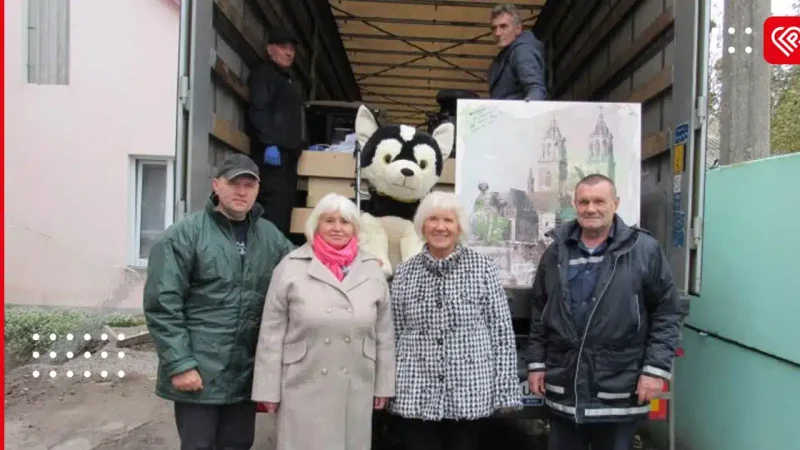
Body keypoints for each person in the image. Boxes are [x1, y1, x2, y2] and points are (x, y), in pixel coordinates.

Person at [143, 153, 295, 450]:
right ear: (216, 185)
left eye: (249, 185)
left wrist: (351, 264)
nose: (241, 192)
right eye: (233, 183)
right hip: (199, 370)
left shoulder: (269, 236)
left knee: (238, 443)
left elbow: (303, 271)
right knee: (199, 445)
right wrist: (180, 364)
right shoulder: (184, 236)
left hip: (244, 372)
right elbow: (163, 306)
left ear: (257, 190)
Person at [525, 174, 682, 450]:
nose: (591, 208)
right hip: (566, 386)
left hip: (619, 387)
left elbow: (666, 313)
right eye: (584, 201)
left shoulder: (643, 250)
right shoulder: (556, 253)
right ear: (575, 204)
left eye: (599, 201)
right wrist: (537, 363)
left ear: (615, 203)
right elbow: (540, 310)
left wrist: (656, 370)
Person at [251, 193, 396, 450]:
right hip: (302, 384)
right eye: (329, 220)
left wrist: (383, 386)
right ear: (316, 224)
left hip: (355, 384)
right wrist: (267, 392)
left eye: (345, 221)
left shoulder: (372, 269)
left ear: (355, 228)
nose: (337, 228)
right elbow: (271, 335)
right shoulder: (291, 266)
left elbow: (384, 334)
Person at [388, 191, 521, 450]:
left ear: (459, 227)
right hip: (416, 392)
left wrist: (504, 390)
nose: (440, 227)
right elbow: (394, 333)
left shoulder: (483, 268)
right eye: (433, 219)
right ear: (422, 226)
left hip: (468, 392)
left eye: (448, 220)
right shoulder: (404, 273)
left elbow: (501, 332)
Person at [246, 27, 307, 235]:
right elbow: (259, 109)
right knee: (272, 207)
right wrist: (269, 143)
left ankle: (279, 253)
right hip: (271, 156)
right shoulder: (264, 75)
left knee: (284, 207)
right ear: (269, 49)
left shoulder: (287, 79)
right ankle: (267, 255)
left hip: (287, 156)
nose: (289, 53)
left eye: (291, 49)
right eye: (283, 48)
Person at [488, 4, 548, 101]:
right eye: (494, 28)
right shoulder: (507, 55)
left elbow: (536, 89)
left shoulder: (522, 52)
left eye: (503, 26)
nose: (497, 33)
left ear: (518, 29)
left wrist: (528, 112)